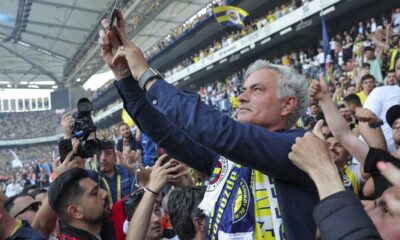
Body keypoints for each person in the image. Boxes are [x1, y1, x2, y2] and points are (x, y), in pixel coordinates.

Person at [99, 10, 318, 239]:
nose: (242, 97)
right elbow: (164, 132)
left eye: (257, 89)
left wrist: (146, 75)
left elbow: (219, 131)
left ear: (287, 105)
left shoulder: (298, 148)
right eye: (243, 89)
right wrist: (124, 77)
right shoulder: (224, 157)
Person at [288, 132, 381, 239]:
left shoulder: (353, 171)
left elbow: (377, 158)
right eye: (327, 145)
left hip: (346, 227)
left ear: (349, 155)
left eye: (338, 145)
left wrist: (370, 126)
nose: (331, 148)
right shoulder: (306, 172)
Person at [48, 168, 117, 239]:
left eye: (99, 188)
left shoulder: (114, 225)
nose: (105, 193)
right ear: (76, 211)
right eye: (95, 193)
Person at [87, 139, 138, 204]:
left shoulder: (127, 171)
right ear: (93, 158)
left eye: (108, 153)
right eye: (98, 153)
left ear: (114, 156)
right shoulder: (90, 178)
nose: (103, 158)